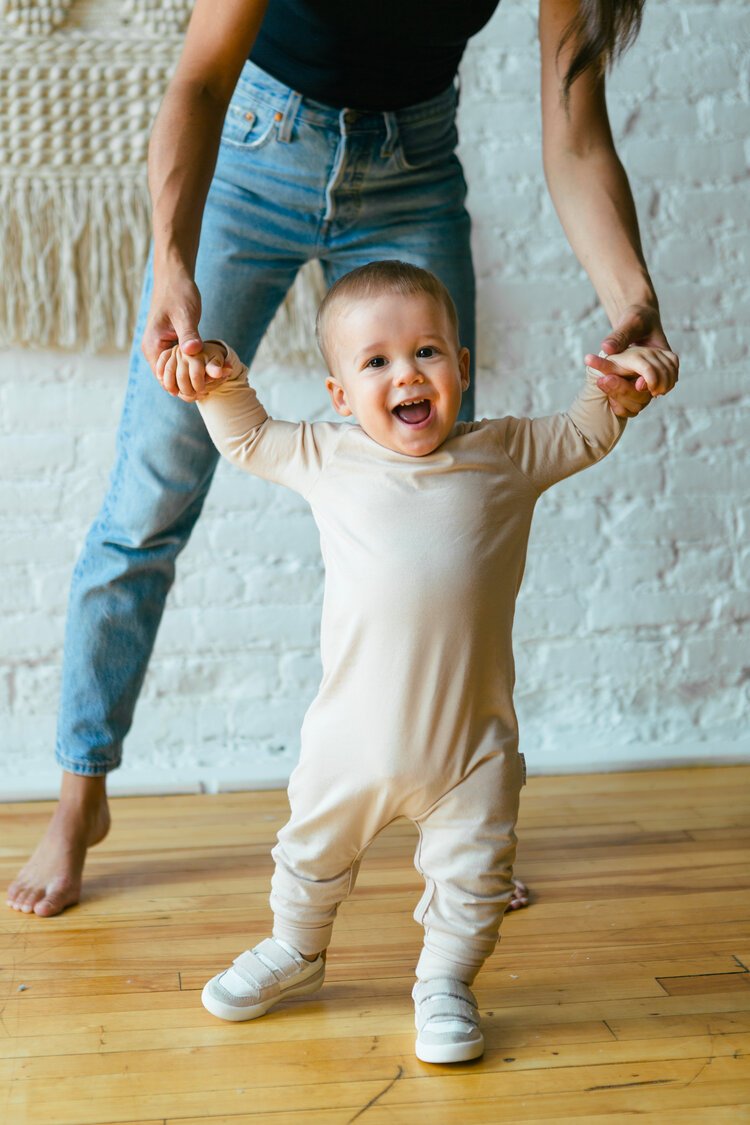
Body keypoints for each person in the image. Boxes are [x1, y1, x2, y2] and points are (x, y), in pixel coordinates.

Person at [7, 0, 677, 917]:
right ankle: (79, 798)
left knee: (451, 508)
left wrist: (634, 299)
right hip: (254, 153)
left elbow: (575, 125)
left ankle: (461, 826)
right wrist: (171, 263)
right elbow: (201, 77)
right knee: (151, 493)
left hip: (414, 167)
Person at [160, 260, 678, 1064]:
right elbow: (251, 435)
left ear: (462, 368)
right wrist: (219, 380)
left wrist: (622, 391)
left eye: (428, 351)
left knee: (475, 877)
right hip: (349, 742)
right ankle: (296, 949)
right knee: (308, 853)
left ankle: (445, 981)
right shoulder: (329, 457)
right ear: (340, 396)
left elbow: (584, 430)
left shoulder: (505, 453)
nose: (407, 372)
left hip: (470, 747)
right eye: (376, 362)